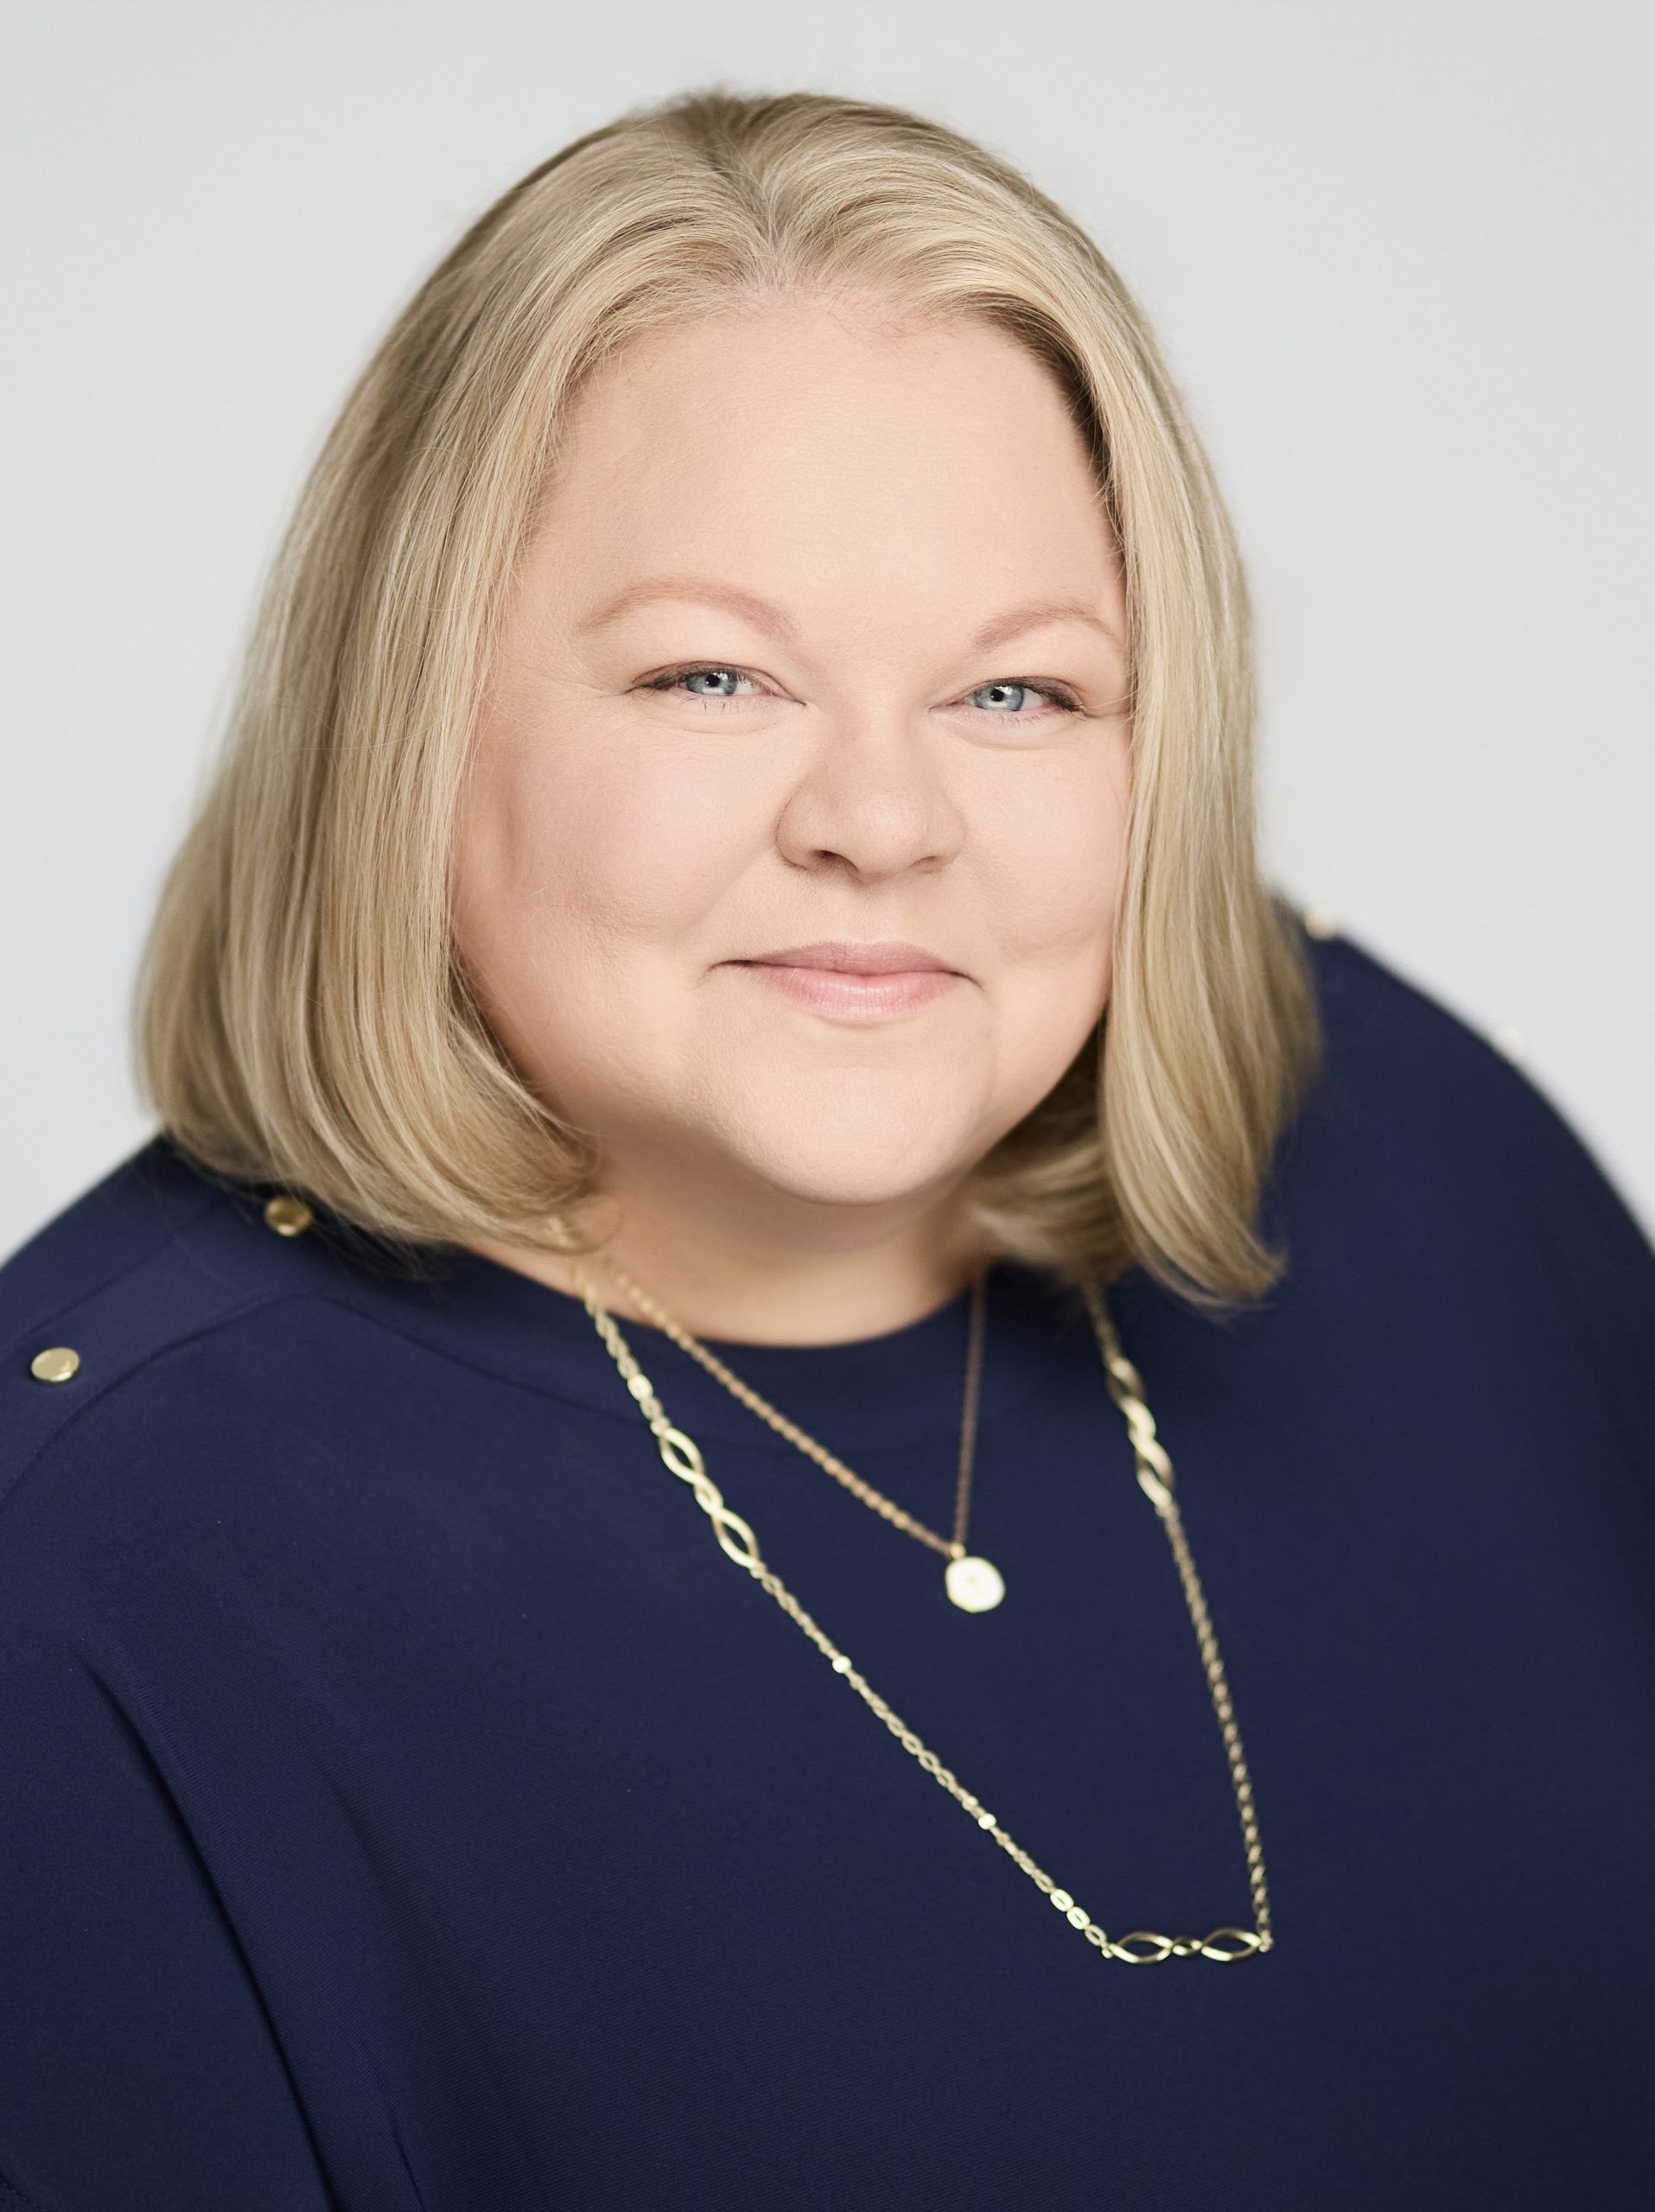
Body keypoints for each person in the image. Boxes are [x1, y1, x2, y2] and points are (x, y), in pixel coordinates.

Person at [1, 86, 1651, 2212]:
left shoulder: (1406, 1143)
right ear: (409, 717)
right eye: (713, 674)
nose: (881, 818)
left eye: (1019, 695)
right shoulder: (92, 1567)